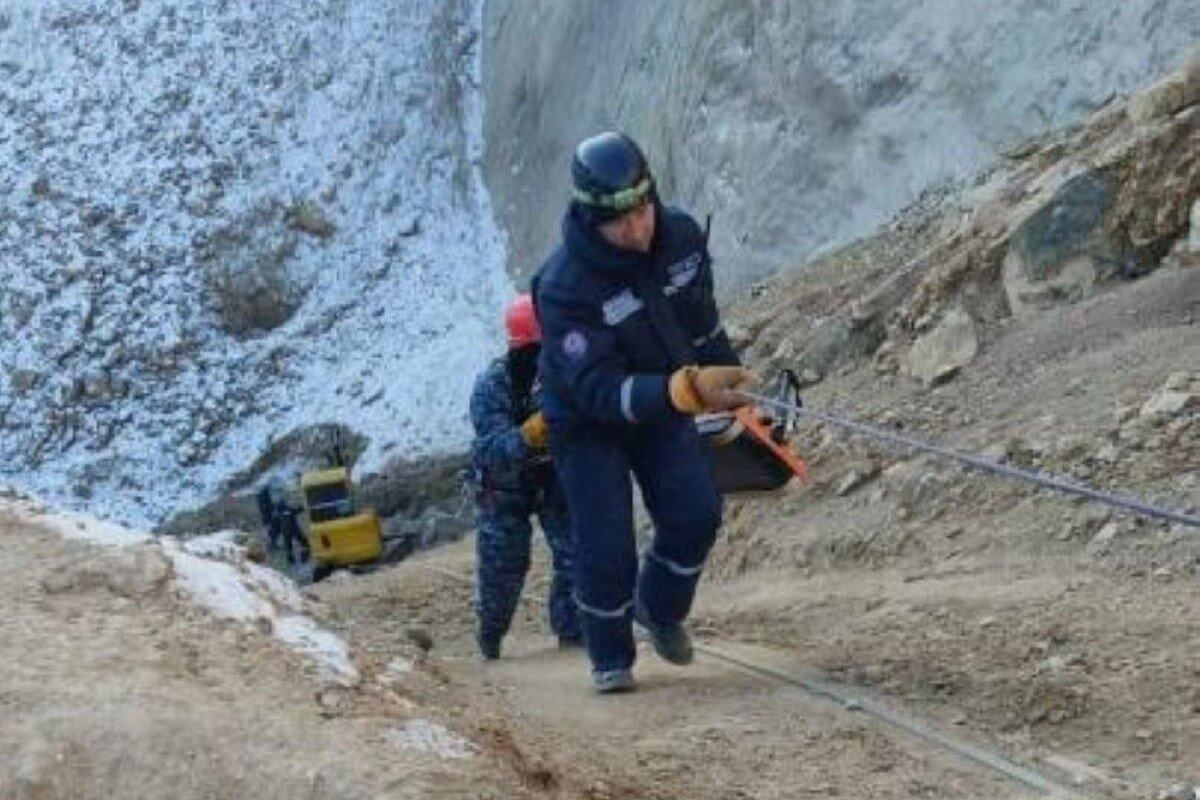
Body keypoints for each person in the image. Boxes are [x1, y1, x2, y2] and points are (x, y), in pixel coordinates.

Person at [532, 131, 756, 692]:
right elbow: (596, 389)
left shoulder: (679, 237)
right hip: (587, 423)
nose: (637, 230)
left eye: (642, 212)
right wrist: (682, 392)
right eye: (620, 222)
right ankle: (610, 656)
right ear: (591, 218)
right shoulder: (562, 287)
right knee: (605, 542)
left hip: (662, 401)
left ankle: (658, 610)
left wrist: (728, 381)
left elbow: (701, 320)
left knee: (695, 513)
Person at [468, 294, 582, 660]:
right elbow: (492, 449)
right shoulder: (491, 387)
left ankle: (573, 632)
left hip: (553, 476)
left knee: (576, 552)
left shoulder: (564, 373)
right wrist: (528, 435)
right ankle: (491, 638)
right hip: (504, 487)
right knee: (503, 565)